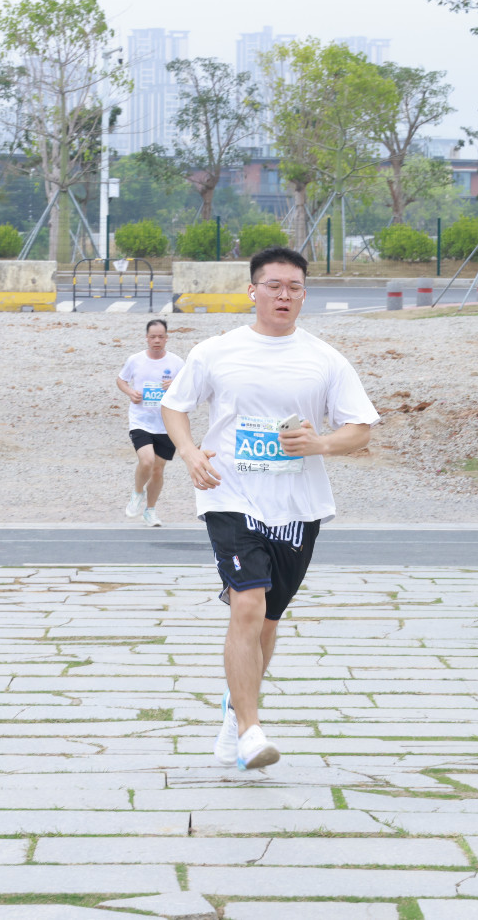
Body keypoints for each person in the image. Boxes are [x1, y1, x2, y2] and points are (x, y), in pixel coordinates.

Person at [161, 246, 378, 771]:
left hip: (298, 504)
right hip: (229, 493)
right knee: (247, 605)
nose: (284, 295)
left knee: (268, 620)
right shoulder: (216, 351)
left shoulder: (325, 359)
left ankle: (236, 708)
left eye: (294, 287)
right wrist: (189, 452)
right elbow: (174, 405)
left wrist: (321, 444)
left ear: (304, 295)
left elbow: (360, 429)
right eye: (274, 285)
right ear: (252, 290)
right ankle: (250, 731)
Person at [115, 318, 181, 528]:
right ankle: (137, 493)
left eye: (161, 337)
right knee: (146, 461)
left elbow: (190, 386)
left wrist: (175, 384)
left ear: (167, 338)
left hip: (167, 423)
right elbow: (121, 380)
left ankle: (150, 511)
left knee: (158, 470)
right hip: (141, 420)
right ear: (146, 338)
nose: (157, 340)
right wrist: (130, 392)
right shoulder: (135, 360)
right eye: (153, 337)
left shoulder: (177, 363)